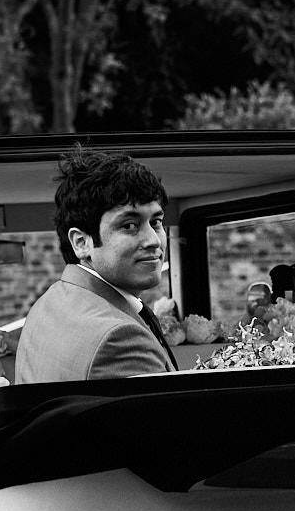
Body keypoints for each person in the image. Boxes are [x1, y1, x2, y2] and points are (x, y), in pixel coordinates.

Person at [16, 146, 178, 383]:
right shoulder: (121, 340)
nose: (154, 241)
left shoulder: (49, 303)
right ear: (81, 243)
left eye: (156, 222)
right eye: (129, 226)